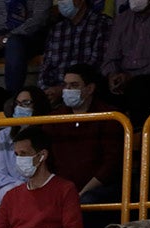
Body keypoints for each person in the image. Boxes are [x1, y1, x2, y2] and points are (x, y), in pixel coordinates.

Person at [47, 63, 122, 206]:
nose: (67, 90)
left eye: (74, 85)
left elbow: (110, 165)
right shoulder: (54, 118)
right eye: (66, 85)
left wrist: (82, 193)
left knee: (86, 201)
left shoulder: (110, 117)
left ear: (90, 88)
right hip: (62, 189)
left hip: (99, 190)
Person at [37, 0, 111, 109]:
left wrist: (64, 89)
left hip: (84, 91)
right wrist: (47, 90)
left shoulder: (102, 24)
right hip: (54, 94)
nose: (61, 3)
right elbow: (45, 67)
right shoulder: (57, 29)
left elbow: (95, 66)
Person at [0, 85, 52, 208]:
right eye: (17, 104)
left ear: (38, 106)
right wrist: (22, 186)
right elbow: (0, 177)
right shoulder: (3, 135)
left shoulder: (49, 132)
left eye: (26, 103)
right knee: (2, 197)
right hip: (12, 189)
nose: (20, 108)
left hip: (44, 187)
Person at [0, 0, 51, 92]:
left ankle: (13, 98)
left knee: (14, 43)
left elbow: (39, 19)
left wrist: (5, 39)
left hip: (28, 36)